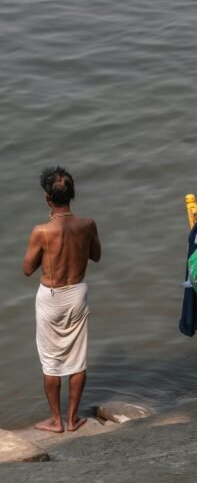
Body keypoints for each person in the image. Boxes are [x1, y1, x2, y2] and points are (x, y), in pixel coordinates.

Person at [22, 166, 101, 433]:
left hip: (51, 296)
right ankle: (73, 418)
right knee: (77, 359)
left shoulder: (41, 231)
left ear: (47, 198)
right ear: (72, 195)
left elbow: (27, 268)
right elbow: (96, 255)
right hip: (77, 292)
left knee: (50, 361)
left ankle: (56, 421)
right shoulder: (87, 224)